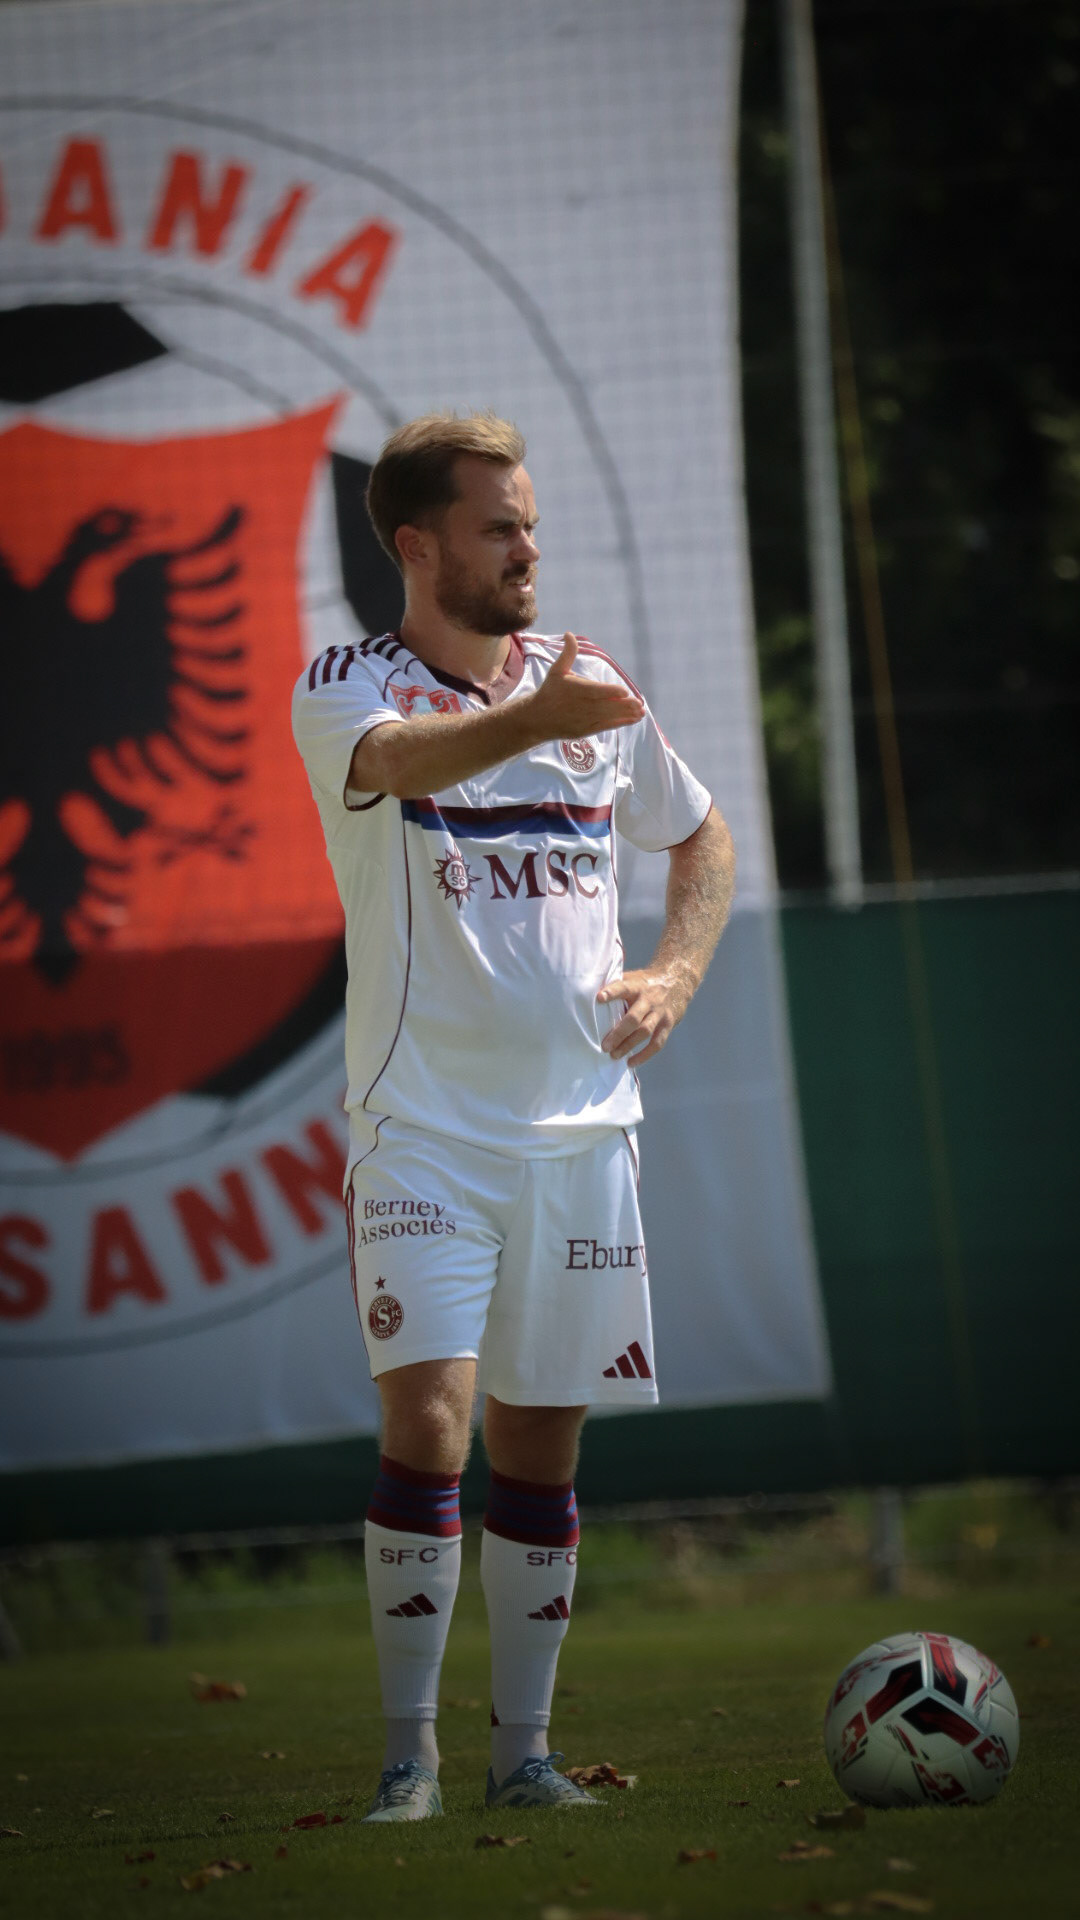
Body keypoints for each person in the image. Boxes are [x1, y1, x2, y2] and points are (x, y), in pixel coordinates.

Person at [291, 412, 735, 1821]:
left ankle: (522, 1757)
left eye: (530, 524)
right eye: (498, 528)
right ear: (418, 548)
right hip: (421, 1131)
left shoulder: (587, 682)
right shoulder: (345, 684)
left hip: (581, 1135)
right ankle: (408, 1761)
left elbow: (701, 832)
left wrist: (676, 968)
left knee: (541, 1447)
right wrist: (534, 724)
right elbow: (405, 769)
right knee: (430, 1423)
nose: (527, 550)